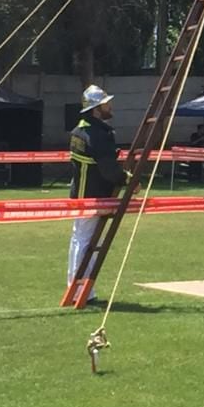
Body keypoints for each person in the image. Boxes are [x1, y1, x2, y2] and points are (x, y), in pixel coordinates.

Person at [68, 84, 134, 301]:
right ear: (96, 109)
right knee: (84, 242)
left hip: (82, 193)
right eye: (106, 104)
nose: (110, 107)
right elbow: (106, 168)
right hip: (93, 195)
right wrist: (126, 179)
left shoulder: (81, 129)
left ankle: (78, 288)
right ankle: (81, 291)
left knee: (80, 240)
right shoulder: (97, 134)